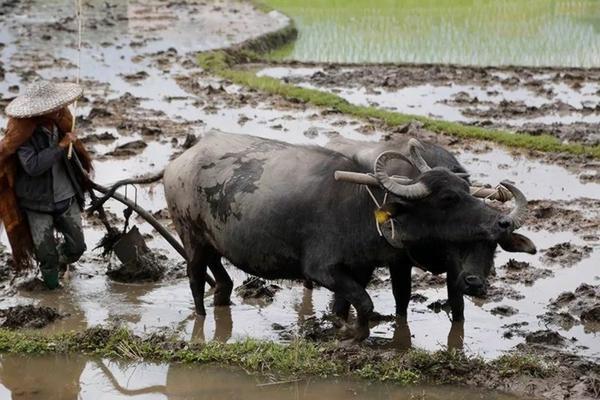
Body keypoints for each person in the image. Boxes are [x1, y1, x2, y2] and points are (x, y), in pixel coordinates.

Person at [0, 80, 93, 289]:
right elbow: (32, 166)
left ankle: (60, 261)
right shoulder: (22, 135)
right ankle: (53, 291)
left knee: (77, 247)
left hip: (66, 197)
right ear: (40, 113)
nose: (60, 110)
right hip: (36, 203)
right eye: (54, 108)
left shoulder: (63, 124)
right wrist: (60, 146)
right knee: (45, 254)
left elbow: (75, 157)